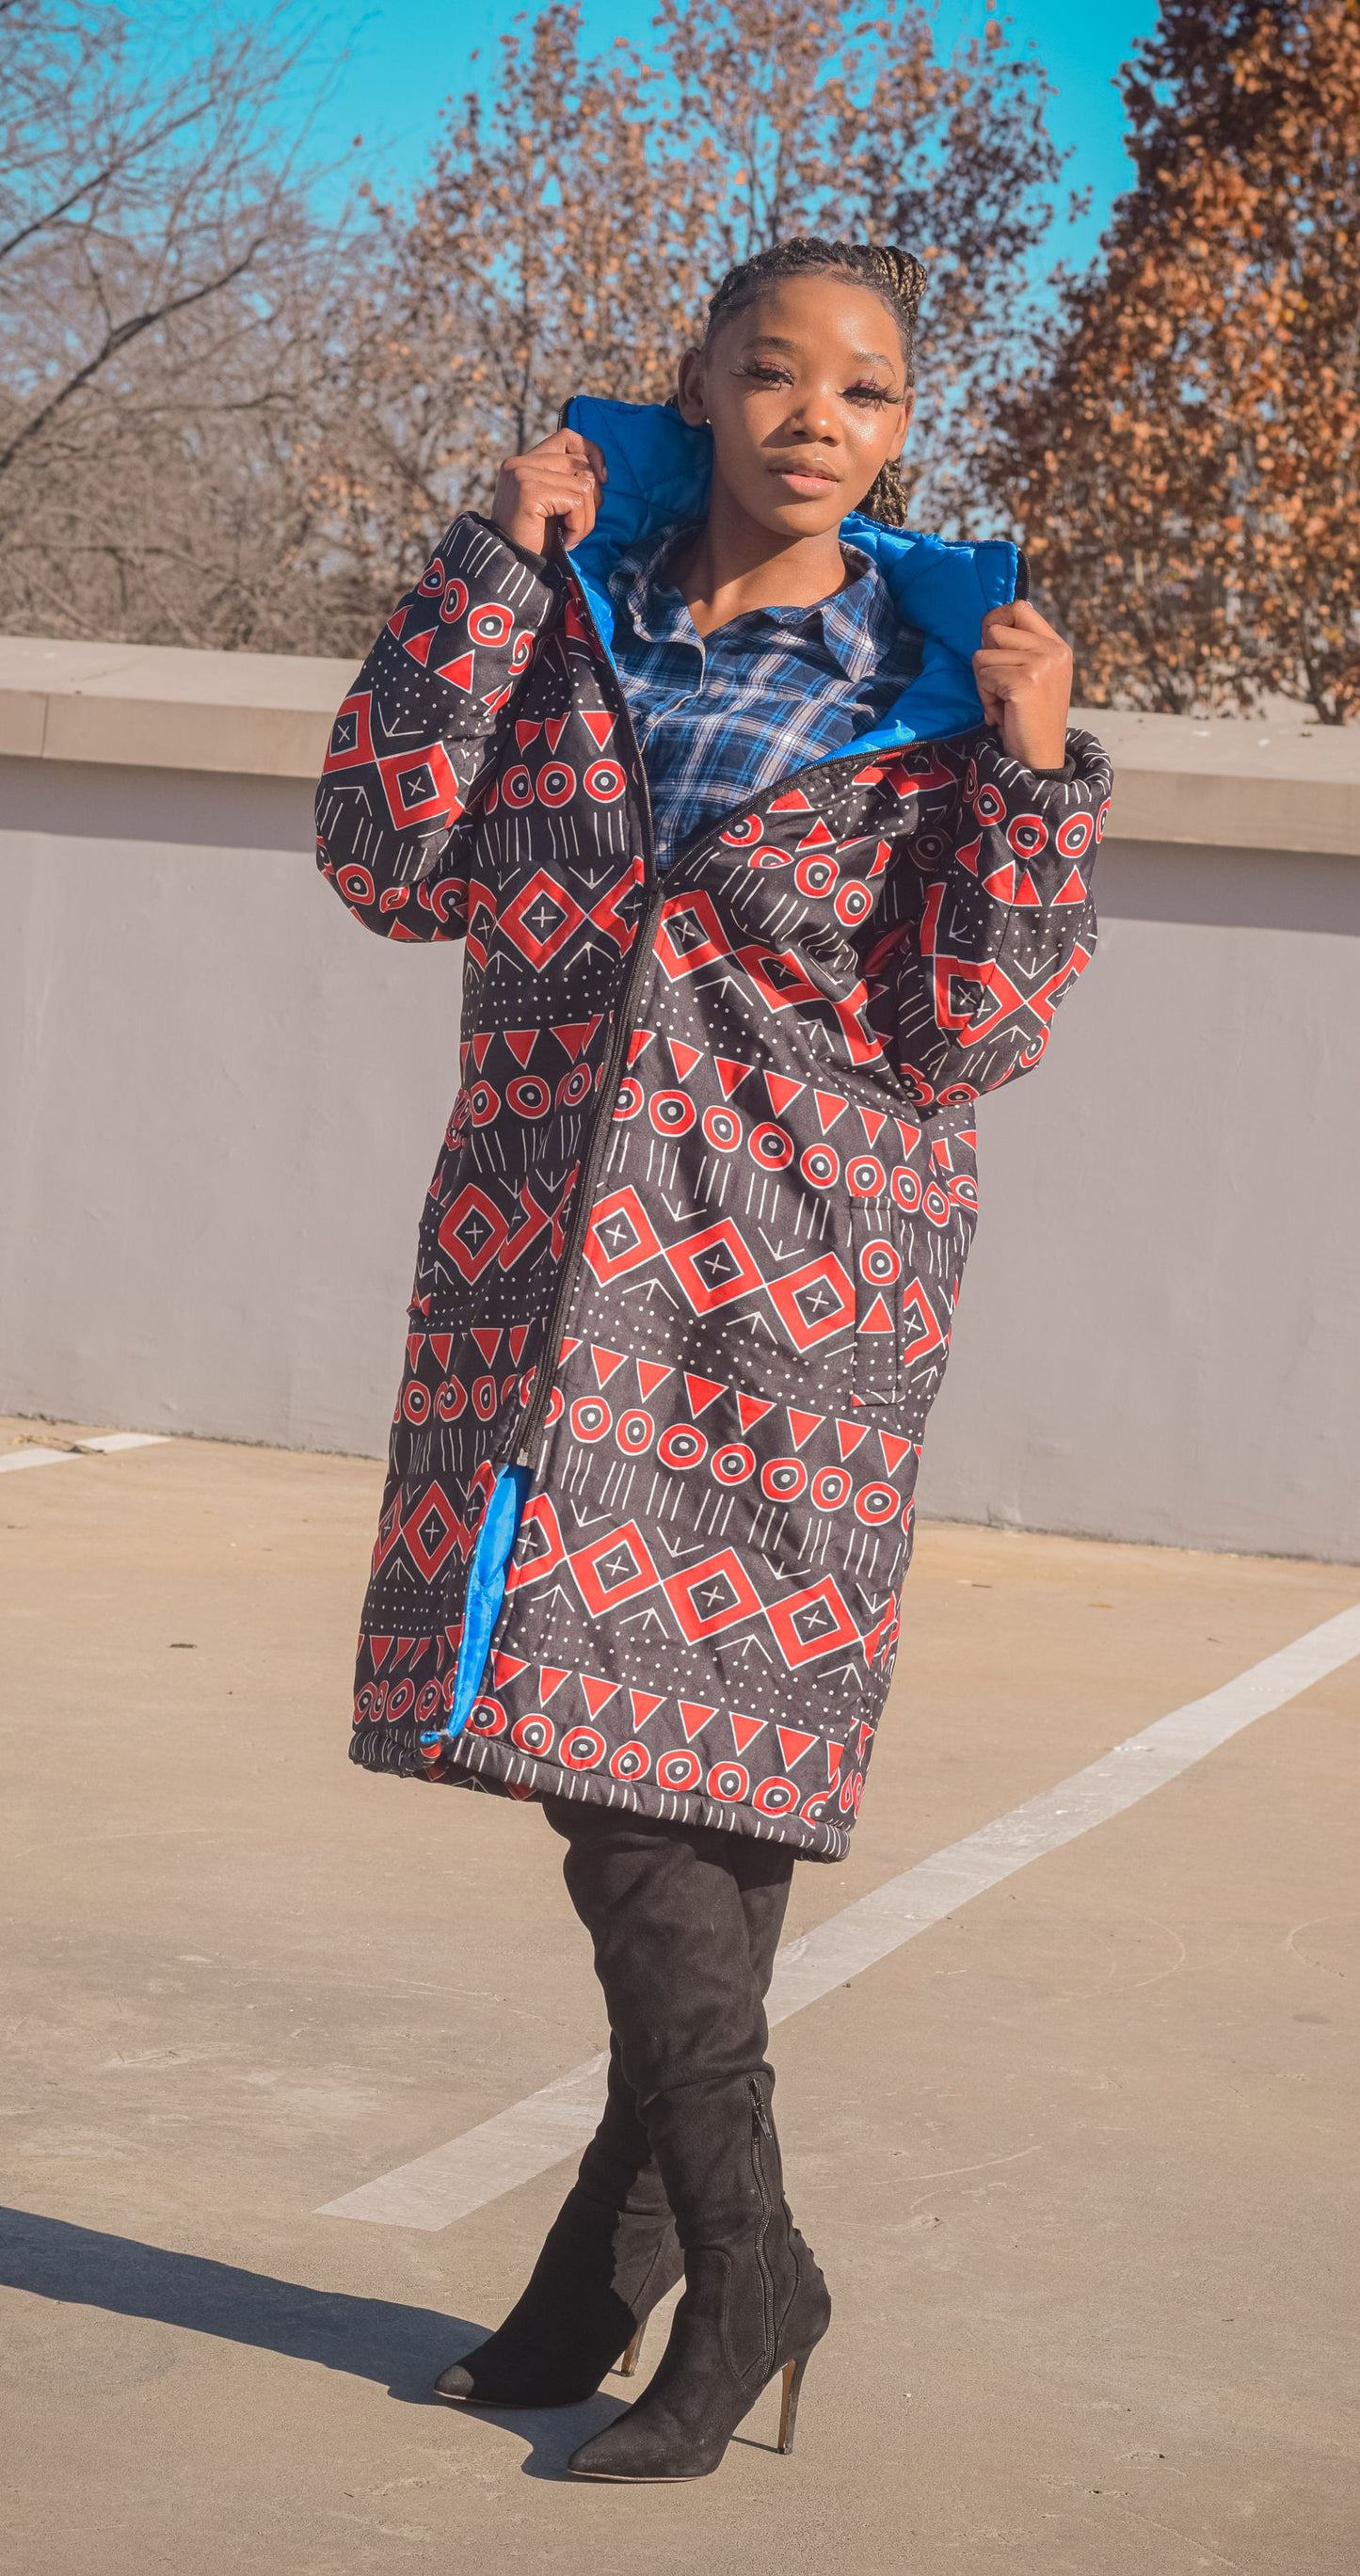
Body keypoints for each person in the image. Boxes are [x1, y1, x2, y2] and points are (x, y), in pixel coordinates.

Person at [314, 235, 1112, 2482]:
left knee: (676, 1776)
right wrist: (493, 561)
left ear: (901, 430)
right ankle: (637, 2256)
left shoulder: (935, 680)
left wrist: (1035, 773)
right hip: (540, 1257)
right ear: (700, 387)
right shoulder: (567, 614)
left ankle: (735, 2258)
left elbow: (975, 1027)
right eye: (774, 374)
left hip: (796, 1291)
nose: (815, 420)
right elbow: (384, 849)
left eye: (865, 392)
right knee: (629, 1762)